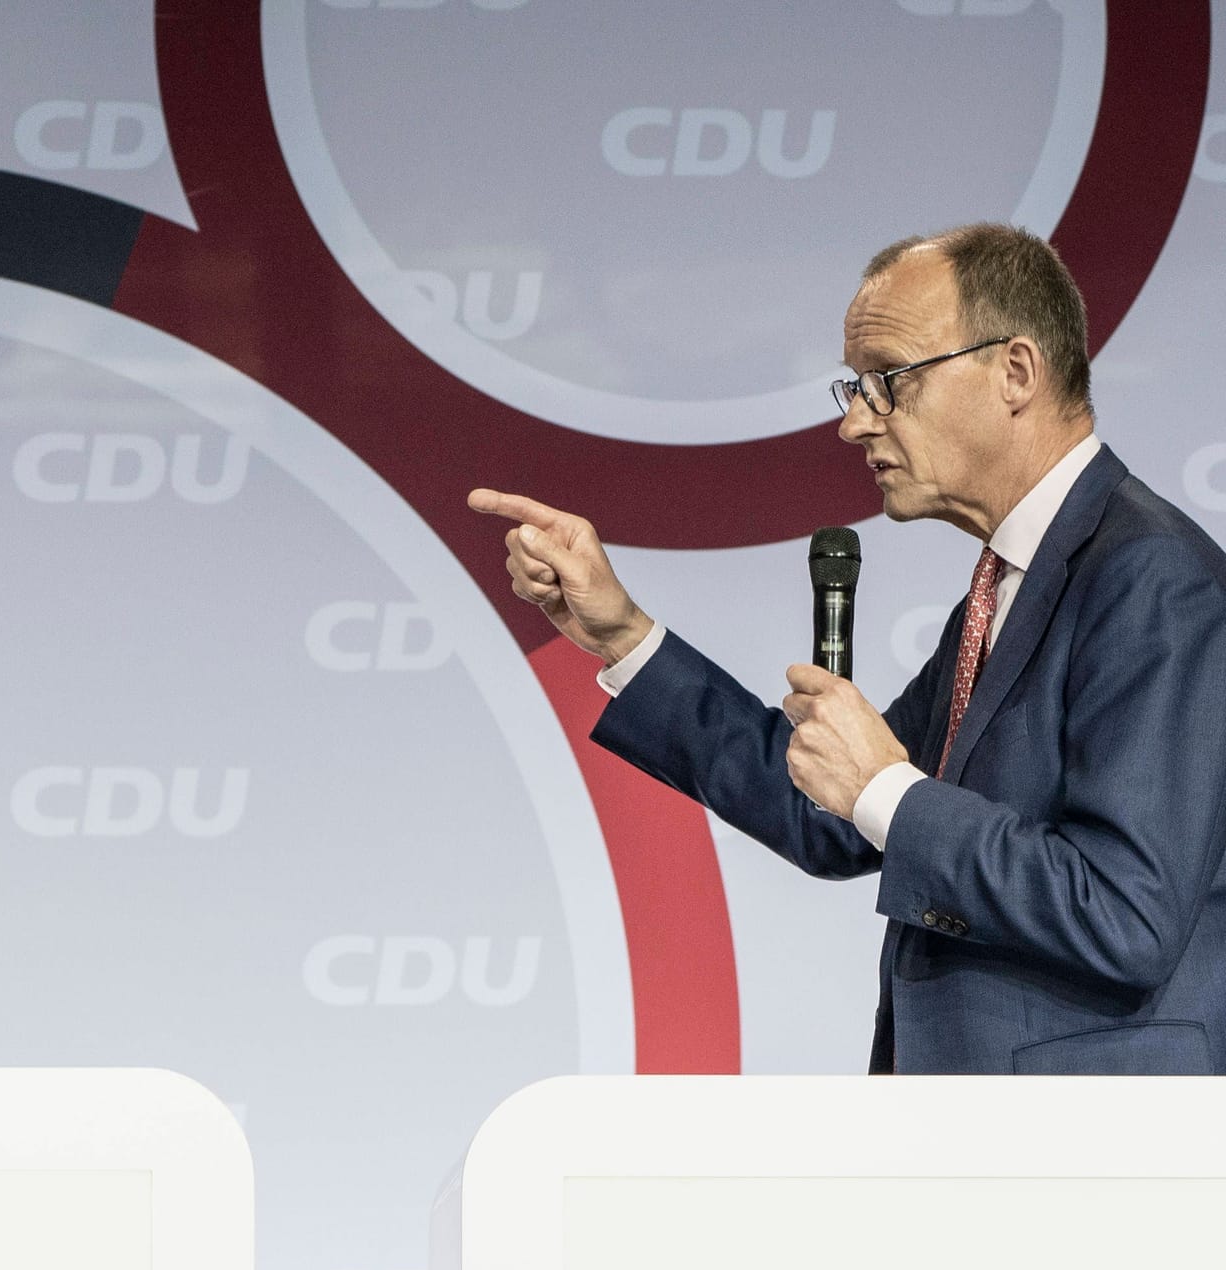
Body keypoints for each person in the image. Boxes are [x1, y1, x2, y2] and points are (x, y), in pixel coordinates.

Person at [472, 223, 1226, 1073]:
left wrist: (887, 790)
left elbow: (1126, 914)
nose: (855, 423)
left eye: (888, 382)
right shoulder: (1013, 584)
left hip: (1094, 1159)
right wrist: (621, 633)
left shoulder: (1150, 577)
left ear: (1015, 372)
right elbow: (827, 813)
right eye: (855, 388)